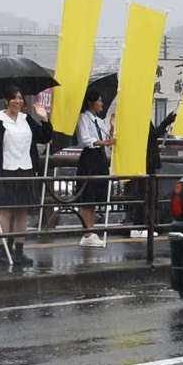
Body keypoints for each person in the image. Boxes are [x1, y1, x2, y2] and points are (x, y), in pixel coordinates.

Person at [0, 85, 53, 268]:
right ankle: (1, 248)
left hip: (25, 169)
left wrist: (44, 119)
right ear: (6, 101)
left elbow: (44, 137)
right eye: (14, 98)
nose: (18, 101)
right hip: (5, 169)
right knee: (6, 211)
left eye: (20, 98)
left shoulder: (27, 120)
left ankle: (19, 250)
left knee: (22, 212)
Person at [73, 90, 115, 247]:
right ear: (92, 103)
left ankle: (91, 230)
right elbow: (85, 139)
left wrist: (110, 127)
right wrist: (102, 143)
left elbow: (106, 138)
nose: (102, 104)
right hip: (89, 158)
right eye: (99, 101)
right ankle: (87, 232)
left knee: (95, 196)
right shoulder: (84, 118)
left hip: (99, 157)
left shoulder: (99, 120)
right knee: (87, 197)